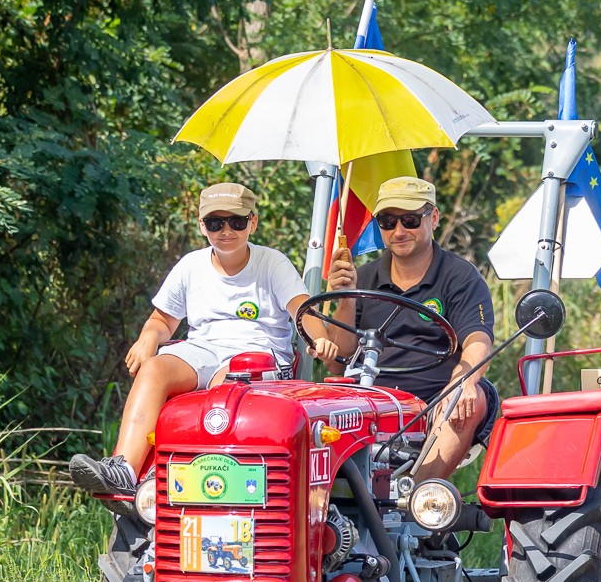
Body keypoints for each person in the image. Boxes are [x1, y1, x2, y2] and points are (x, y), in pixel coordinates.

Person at [69, 183, 308, 495]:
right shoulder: (191, 265)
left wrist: (319, 339)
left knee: (227, 387)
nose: (226, 231)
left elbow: (302, 311)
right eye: (215, 223)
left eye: (236, 222)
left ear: (253, 222)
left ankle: (215, 485)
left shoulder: (271, 262)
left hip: (257, 355)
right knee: (154, 368)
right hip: (204, 350)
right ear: (201, 225)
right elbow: (162, 320)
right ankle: (124, 470)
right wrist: (147, 337)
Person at [309, 176, 497, 481]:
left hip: (433, 401)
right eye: (387, 221)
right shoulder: (364, 278)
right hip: (368, 401)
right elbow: (339, 359)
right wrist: (345, 295)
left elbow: (478, 340)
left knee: (471, 396)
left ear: (433, 218)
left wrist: (462, 382)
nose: (398, 231)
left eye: (410, 220)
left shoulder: (460, 276)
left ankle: (417, 501)